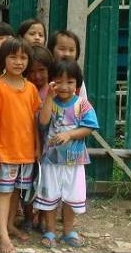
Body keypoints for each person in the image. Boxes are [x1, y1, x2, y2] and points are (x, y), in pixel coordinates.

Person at [0, 37, 41, 253]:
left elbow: (34, 120)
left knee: (17, 191)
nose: (18, 62)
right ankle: (3, 234)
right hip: (5, 151)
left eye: (23, 57)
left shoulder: (32, 88)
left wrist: (37, 146)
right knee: (4, 193)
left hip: (25, 151)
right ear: (3, 59)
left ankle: (10, 225)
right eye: (13, 57)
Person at [33, 60, 99, 248]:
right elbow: (43, 123)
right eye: (59, 81)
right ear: (51, 82)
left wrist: (69, 134)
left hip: (74, 159)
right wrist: (48, 98)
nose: (64, 86)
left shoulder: (82, 104)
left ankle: (69, 231)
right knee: (50, 196)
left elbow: (90, 127)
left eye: (70, 82)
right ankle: (50, 231)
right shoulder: (49, 102)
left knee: (71, 196)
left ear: (77, 84)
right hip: (51, 160)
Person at [22, 45, 54, 233]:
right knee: (26, 183)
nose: (37, 76)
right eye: (32, 71)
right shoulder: (24, 88)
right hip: (27, 142)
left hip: (49, 144)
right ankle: (27, 216)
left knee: (45, 183)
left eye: (41, 70)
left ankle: (42, 217)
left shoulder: (52, 90)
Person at [47, 29, 87, 99]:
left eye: (71, 50)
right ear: (51, 50)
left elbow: (83, 104)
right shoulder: (45, 73)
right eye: (62, 49)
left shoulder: (76, 77)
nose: (67, 54)